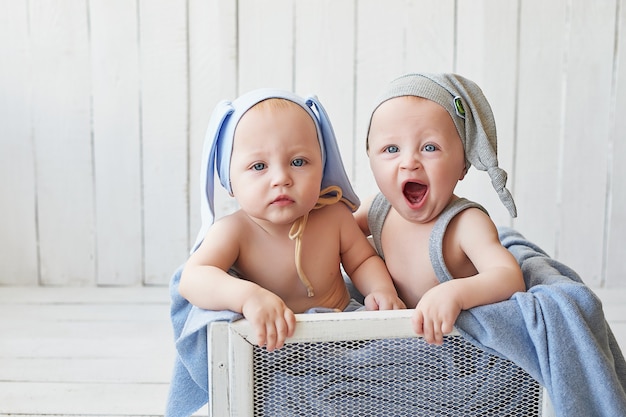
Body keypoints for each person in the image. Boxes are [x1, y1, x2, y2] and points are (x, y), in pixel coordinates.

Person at [179, 88, 405, 352]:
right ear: (230, 181)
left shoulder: (335, 217)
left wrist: (380, 290)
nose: (281, 178)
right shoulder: (235, 231)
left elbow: (363, 260)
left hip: (341, 332)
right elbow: (192, 278)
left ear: (322, 168)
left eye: (298, 162)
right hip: (271, 341)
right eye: (259, 166)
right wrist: (249, 297)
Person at [355, 73, 525, 345]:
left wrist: (457, 293)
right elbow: (331, 236)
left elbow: (508, 277)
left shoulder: (464, 224)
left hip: (455, 348)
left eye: (430, 147)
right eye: (391, 148)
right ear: (370, 157)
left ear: (462, 166)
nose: (409, 162)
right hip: (397, 344)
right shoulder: (376, 210)